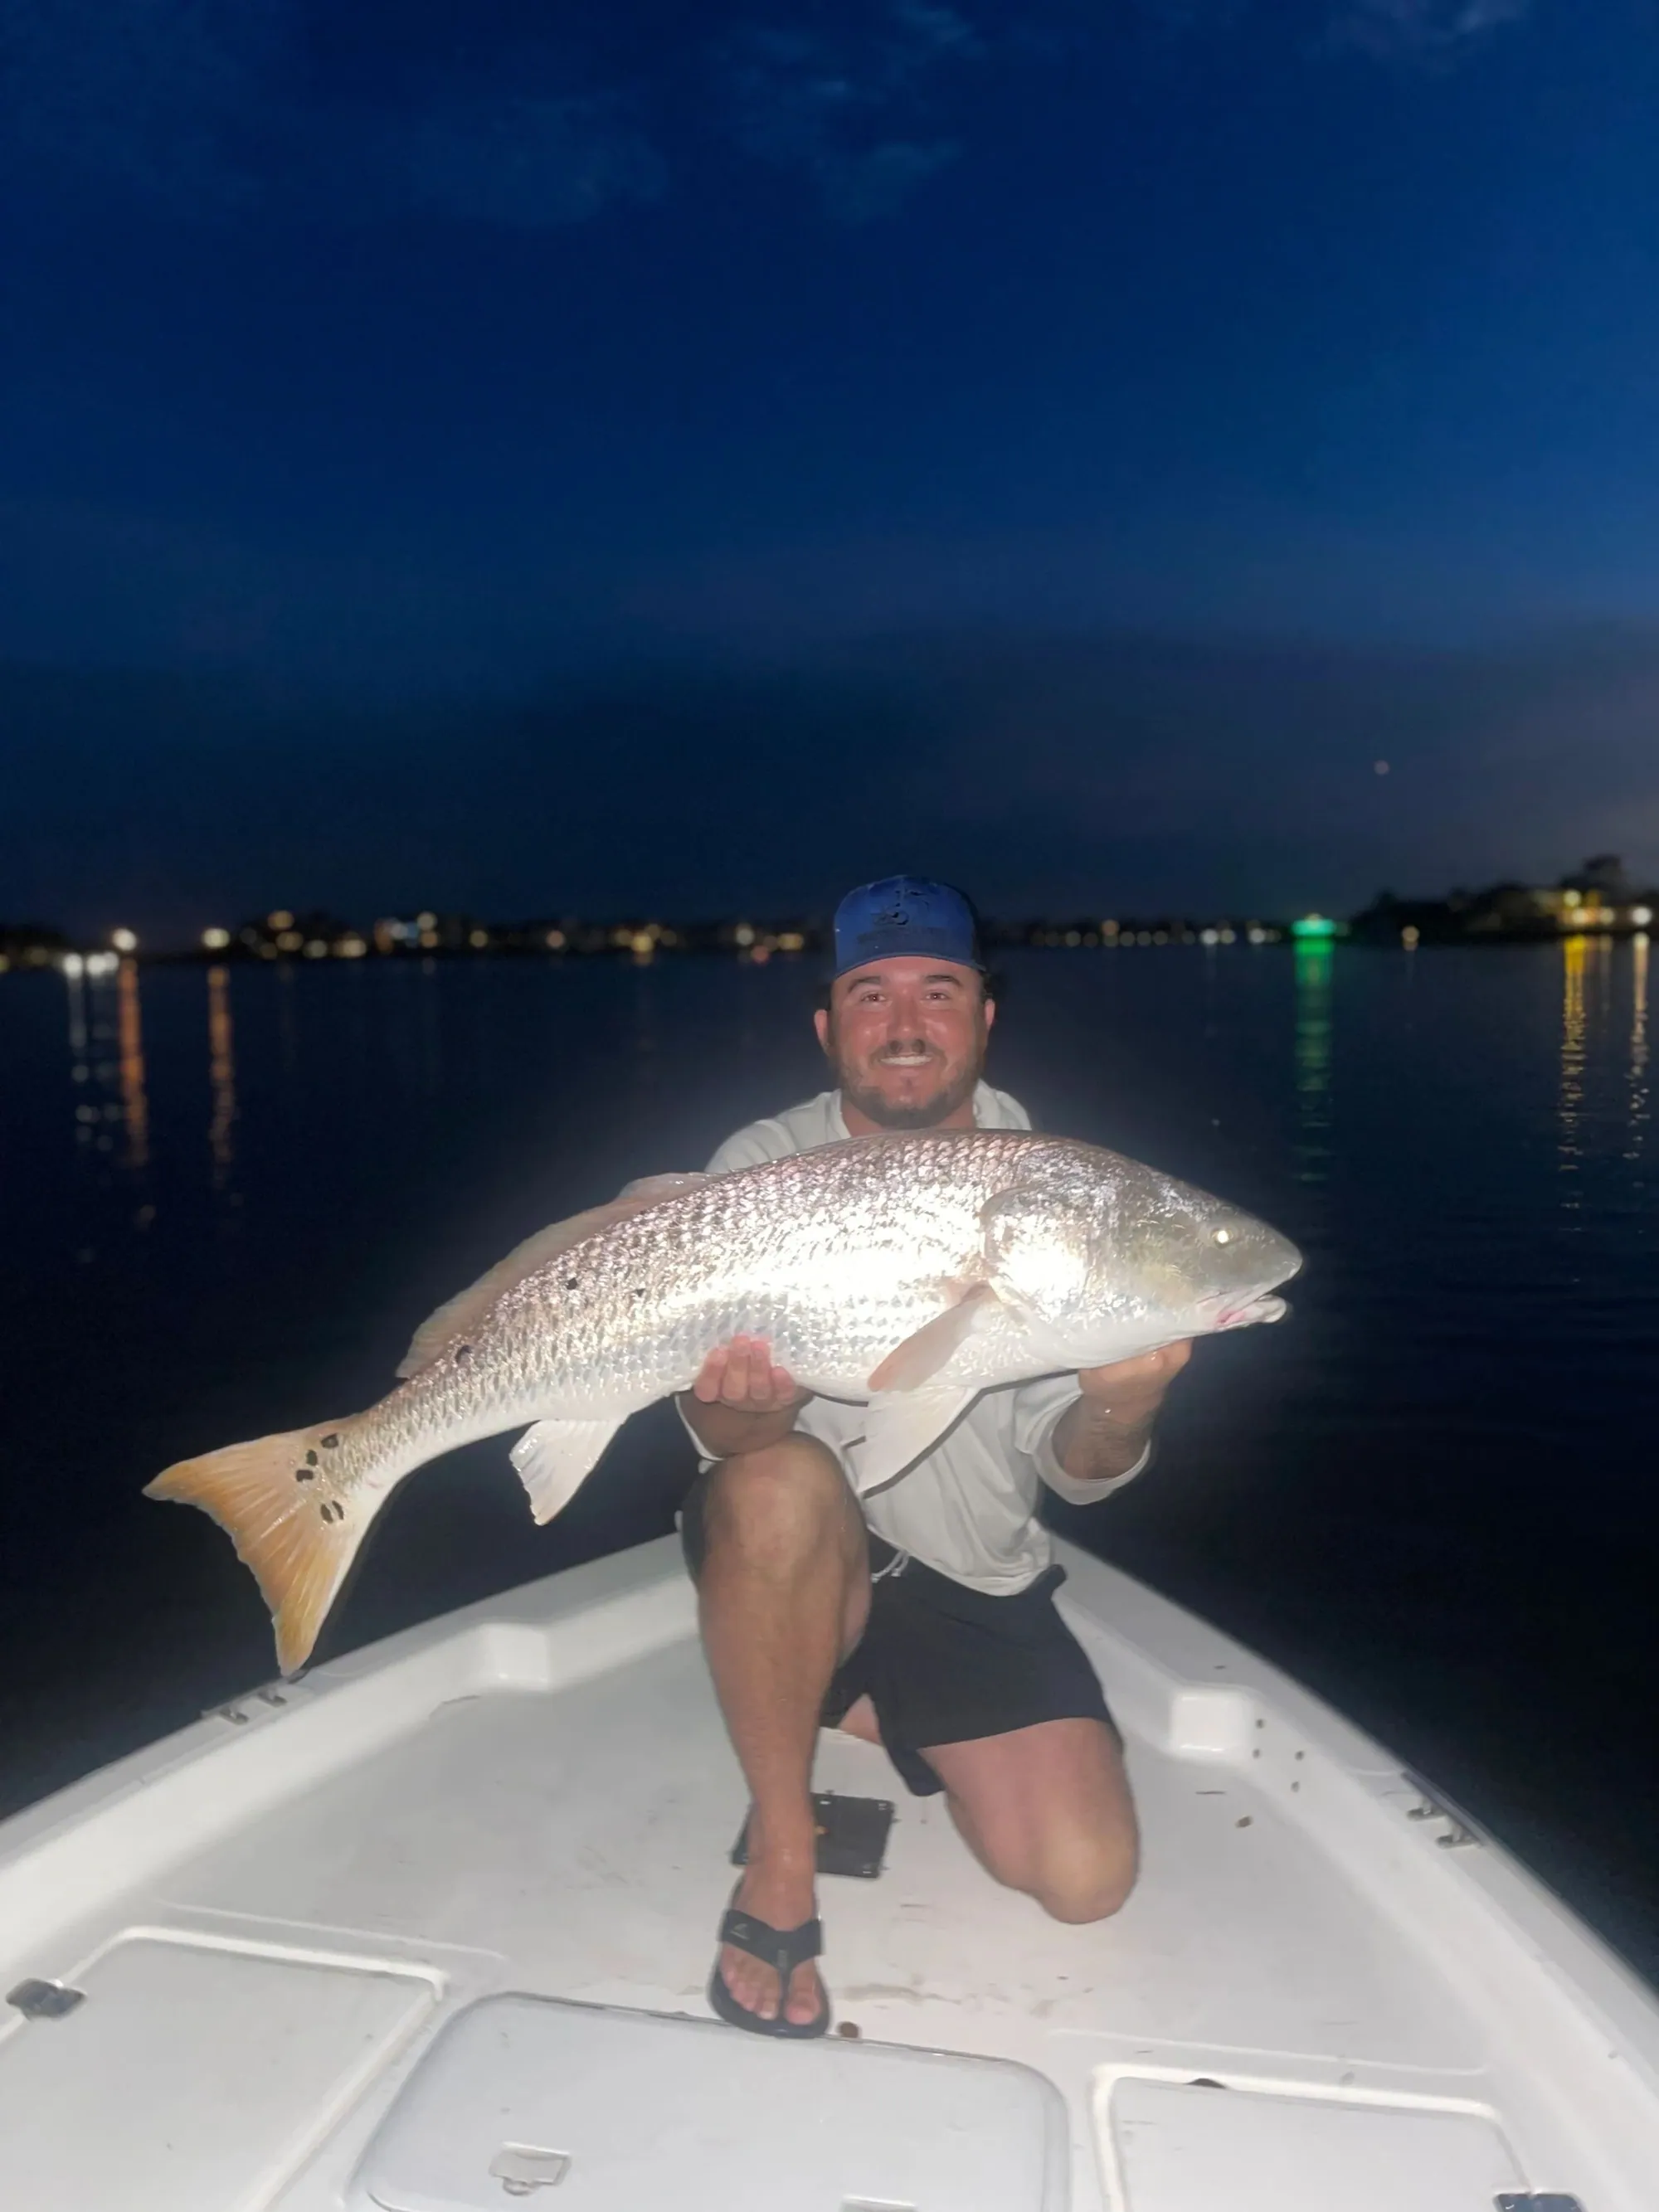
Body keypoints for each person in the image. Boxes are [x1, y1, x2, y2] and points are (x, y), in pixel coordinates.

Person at [678, 875, 1192, 2038]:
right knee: (774, 1479)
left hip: (973, 1571)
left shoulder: (1061, 1195)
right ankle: (781, 1847)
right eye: (871, 994)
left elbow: (1079, 1467)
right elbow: (720, 1438)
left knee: (1083, 1879)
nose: (905, 1023)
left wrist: (1125, 1403)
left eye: (938, 990)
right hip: (798, 1535)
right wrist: (754, 1407)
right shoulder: (764, 1163)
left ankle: (839, 1689)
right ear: (828, 1028)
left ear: (984, 1016)